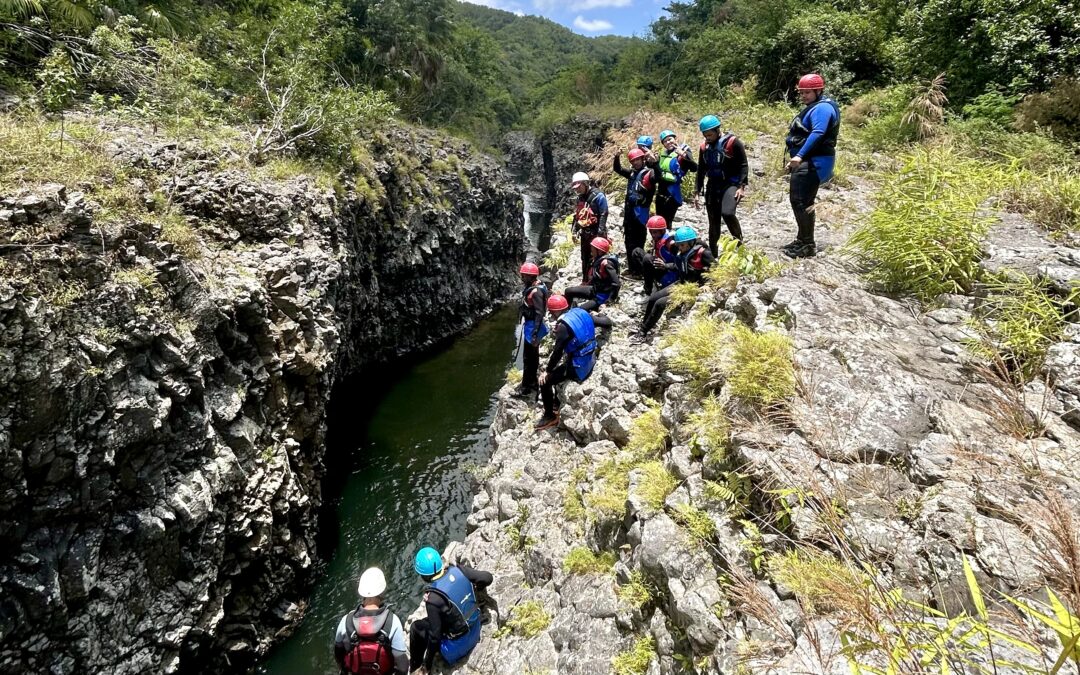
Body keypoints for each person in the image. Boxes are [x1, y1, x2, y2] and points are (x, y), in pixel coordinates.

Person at [410, 548, 494, 674]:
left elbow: (435, 637)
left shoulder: (433, 599)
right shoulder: (459, 571)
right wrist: (476, 588)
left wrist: (426, 665)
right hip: (475, 630)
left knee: (416, 627)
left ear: (423, 575)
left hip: (455, 649)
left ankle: (415, 667)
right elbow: (488, 577)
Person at [784, 73, 840, 259]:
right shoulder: (817, 106)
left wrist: (799, 156)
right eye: (802, 93)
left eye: (808, 92)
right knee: (800, 200)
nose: (804, 96)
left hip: (815, 161)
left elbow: (818, 132)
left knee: (800, 201)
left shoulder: (822, 109)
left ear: (818, 90)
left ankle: (807, 244)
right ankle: (802, 239)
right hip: (811, 161)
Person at [535, 294, 612, 430]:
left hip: (579, 367)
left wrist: (547, 371)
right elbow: (606, 322)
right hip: (590, 357)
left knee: (545, 381)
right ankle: (556, 402)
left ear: (553, 312)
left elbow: (557, 353)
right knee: (558, 371)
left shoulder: (563, 327)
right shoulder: (581, 312)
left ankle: (549, 416)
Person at [632, 226, 714, 344]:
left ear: (691, 243)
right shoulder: (684, 252)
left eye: (682, 245)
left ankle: (643, 332)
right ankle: (644, 325)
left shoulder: (703, 253)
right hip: (682, 283)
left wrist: (708, 284)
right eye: (679, 245)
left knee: (660, 303)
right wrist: (666, 266)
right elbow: (679, 267)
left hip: (693, 288)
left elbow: (717, 270)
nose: (680, 248)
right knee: (653, 298)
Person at [334, 568, 409, 675]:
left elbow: (338, 654)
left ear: (362, 593)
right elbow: (402, 668)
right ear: (382, 592)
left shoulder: (346, 621)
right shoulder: (393, 622)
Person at [694, 114, 749, 255]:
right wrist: (697, 192)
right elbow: (701, 170)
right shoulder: (704, 148)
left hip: (730, 184)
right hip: (712, 185)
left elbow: (743, 164)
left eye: (710, 135)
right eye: (705, 135)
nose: (708, 138)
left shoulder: (733, 142)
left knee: (728, 213)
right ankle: (713, 254)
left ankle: (739, 244)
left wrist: (741, 186)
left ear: (718, 130)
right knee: (713, 222)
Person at [613, 148, 657, 274]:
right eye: (633, 161)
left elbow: (657, 177)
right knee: (628, 241)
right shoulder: (632, 173)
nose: (636, 162)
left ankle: (640, 271)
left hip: (640, 212)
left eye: (638, 159)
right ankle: (632, 268)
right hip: (629, 213)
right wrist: (616, 157)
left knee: (638, 243)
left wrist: (654, 163)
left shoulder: (649, 174)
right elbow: (618, 169)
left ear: (643, 159)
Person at [514, 261, 549, 400]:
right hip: (532, 325)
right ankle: (532, 382)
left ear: (530, 277)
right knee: (532, 357)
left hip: (533, 327)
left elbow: (540, 313)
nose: (522, 278)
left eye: (524, 276)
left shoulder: (536, 292)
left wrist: (534, 332)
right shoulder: (535, 287)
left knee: (528, 358)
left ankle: (526, 388)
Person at [570, 171, 610, 280]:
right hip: (585, 233)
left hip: (596, 231)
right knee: (585, 257)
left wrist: (601, 231)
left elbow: (604, 213)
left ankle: (600, 279)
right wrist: (574, 231)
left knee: (598, 256)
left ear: (586, 183)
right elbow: (578, 216)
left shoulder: (598, 196)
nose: (577, 190)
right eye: (575, 188)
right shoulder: (580, 198)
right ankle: (585, 279)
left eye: (579, 187)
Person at [564, 237, 621, 312]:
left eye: (593, 248)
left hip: (602, 297)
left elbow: (616, 284)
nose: (591, 249)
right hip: (594, 290)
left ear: (599, 251)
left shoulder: (607, 264)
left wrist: (609, 301)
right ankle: (566, 311)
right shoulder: (596, 260)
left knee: (579, 311)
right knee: (568, 291)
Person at [655, 130, 697, 228]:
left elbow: (694, 168)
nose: (668, 142)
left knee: (667, 221)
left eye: (670, 139)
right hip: (661, 190)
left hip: (673, 191)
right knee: (659, 220)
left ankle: (666, 240)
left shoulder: (684, 150)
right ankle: (658, 241)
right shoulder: (663, 154)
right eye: (665, 141)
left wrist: (683, 154)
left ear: (675, 139)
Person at [629, 215, 677, 297]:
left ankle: (648, 292)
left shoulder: (671, 243)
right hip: (661, 266)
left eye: (655, 232)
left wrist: (666, 266)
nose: (652, 235)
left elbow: (680, 264)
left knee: (647, 259)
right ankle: (651, 283)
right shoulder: (658, 238)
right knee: (637, 252)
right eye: (651, 232)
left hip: (669, 273)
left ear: (662, 231)